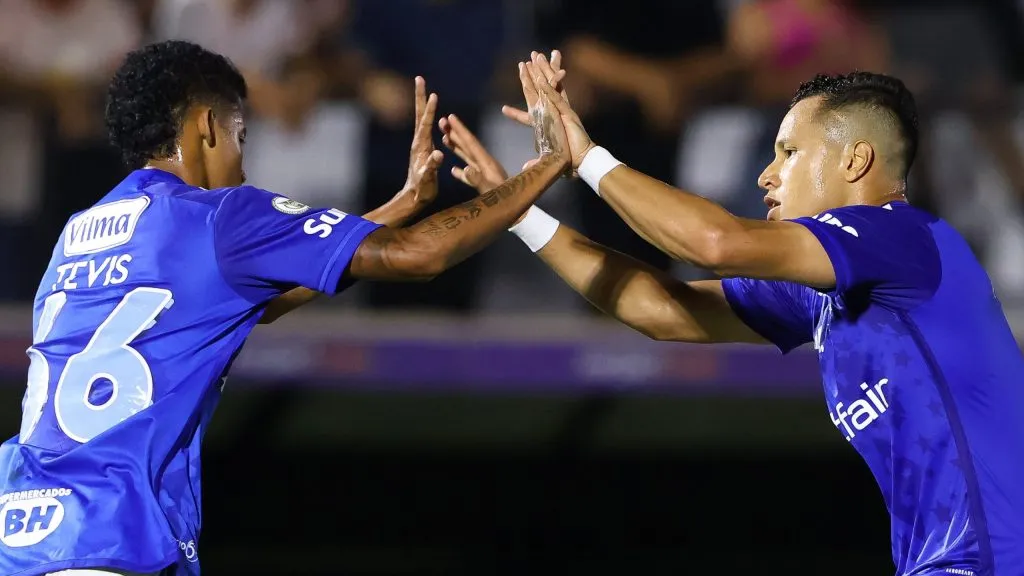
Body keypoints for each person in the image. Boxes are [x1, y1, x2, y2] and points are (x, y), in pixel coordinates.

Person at [441, 51, 1024, 575]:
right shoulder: (823, 291)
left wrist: (588, 158)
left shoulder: (904, 238)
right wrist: (520, 215)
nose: (767, 174)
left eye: (789, 152)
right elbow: (659, 310)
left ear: (855, 161)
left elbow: (715, 243)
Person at [0, 41, 570, 576]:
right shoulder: (220, 215)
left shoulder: (77, 235)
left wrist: (396, 206)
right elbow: (419, 256)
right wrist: (547, 164)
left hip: (24, 535)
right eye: (241, 135)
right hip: (109, 539)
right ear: (206, 126)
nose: (244, 167)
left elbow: (248, 303)